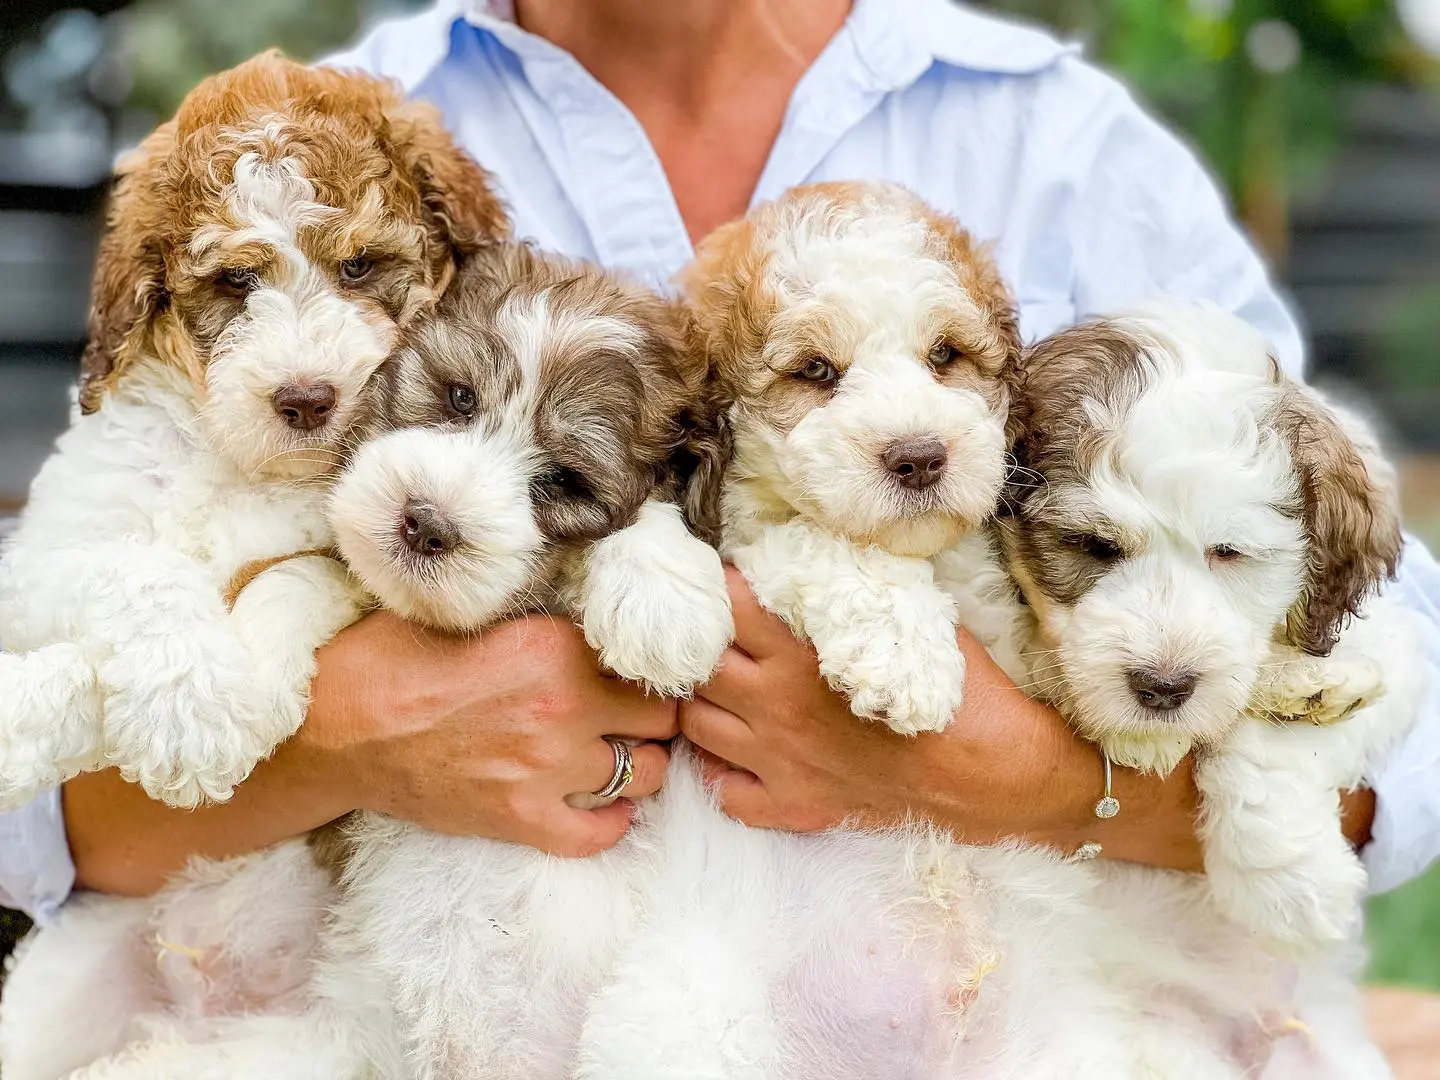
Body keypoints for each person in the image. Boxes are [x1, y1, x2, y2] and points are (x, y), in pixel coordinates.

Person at [3, 0, 1437, 926]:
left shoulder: (1048, 144)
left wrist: (1039, 782)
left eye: (954, 362)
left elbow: (1411, 734)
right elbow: (36, 809)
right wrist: (331, 744)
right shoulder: (347, 133)